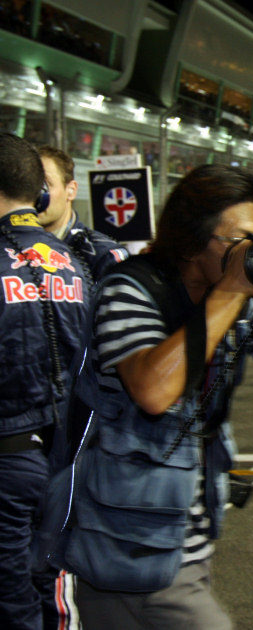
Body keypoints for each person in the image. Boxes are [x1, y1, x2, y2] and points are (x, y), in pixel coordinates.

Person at [49, 164, 253, 629]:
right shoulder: (132, 289)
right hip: (127, 533)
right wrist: (232, 291)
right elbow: (153, 392)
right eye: (242, 241)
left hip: (184, 527)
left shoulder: (237, 303)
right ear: (190, 238)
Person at [0, 133, 89, 630]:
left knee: (12, 602)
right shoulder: (76, 263)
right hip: (63, 459)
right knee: (47, 587)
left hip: (9, 457)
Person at [36, 146, 129, 280]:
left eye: (44, 185)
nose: (35, 194)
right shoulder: (8, 250)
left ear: (71, 190)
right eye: (28, 186)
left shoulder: (104, 256)